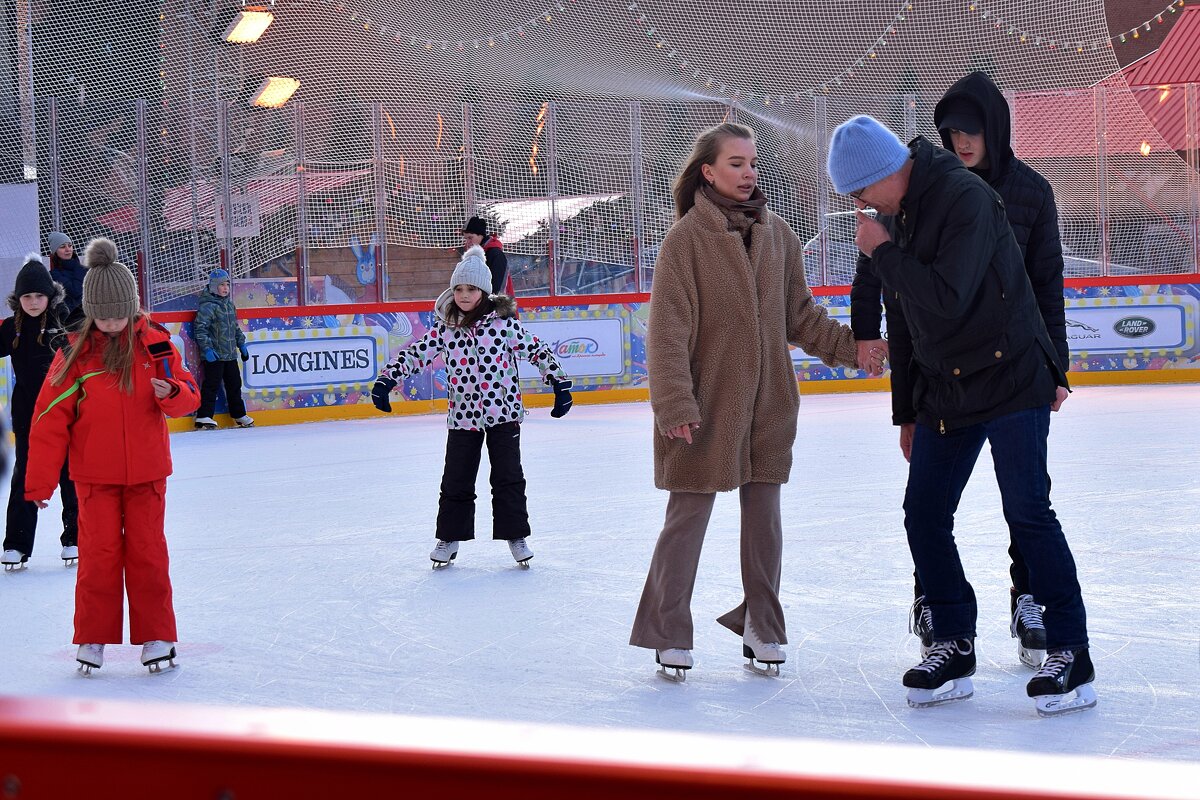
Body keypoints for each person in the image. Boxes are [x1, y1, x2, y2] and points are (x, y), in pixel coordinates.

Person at [827, 115, 1094, 716]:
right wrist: (907, 412)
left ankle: (1071, 654)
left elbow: (947, 296)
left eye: (858, 189)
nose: (857, 204)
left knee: (1027, 510)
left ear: (885, 173)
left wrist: (885, 250)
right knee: (923, 511)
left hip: (1010, 375)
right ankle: (951, 641)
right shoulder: (897, 213)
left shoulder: (965, 197)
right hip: (947, 388)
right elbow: (905, 318)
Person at [629, 123, 864, 682]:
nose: (748, 173)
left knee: (764, 519)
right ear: (707, 171)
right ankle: (669, 630)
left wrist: (857, 350)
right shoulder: (685, 240)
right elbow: (667, 332)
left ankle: (763, 625)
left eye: (752, 163)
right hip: (705, 404)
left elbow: (801, 316)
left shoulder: (778, 235)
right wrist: (675, 403)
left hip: (769, 404)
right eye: (735, 163)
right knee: (687, 518)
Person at [25, 238, 200, 674]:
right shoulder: (74, 353)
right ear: (90, 312)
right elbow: (48, 418)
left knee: (148, 553)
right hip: (94, 477)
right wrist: (40, 482)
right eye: (101, 315)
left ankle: (157, 636)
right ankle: (92, 637)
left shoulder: (156, 345)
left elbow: (190, 395)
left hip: (147, 474)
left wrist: (173, 393)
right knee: (99, 556)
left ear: (133, 306)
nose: (110, 322)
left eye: (118, 313)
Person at [370, 245, 572, 568]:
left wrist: (559, 383)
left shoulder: (503, 324)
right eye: (459, 289)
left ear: (485, 291)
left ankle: (516, 536)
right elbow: (415, 354)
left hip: (504, 414)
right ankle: (448, 538)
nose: (464, 295)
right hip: (463, 417)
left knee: (508, 477)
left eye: (471, 289)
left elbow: (537, 350)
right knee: (456, 479)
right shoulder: (446, 327)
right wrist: (386, 381)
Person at [0, 255, 78, 571]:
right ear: (18, 299)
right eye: (27, 296)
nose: (33, 302)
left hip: (62, 411)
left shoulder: (64, 322)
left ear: (49, 296)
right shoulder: (10, 328)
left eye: (39, 296)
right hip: (27, 413)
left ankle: (75, 538)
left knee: (69, 473)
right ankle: (17, 544)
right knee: (26, 474)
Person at [193, 268, 253, 430]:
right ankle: (204, 416)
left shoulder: (229, 305)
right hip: (215, 355)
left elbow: (235, 328)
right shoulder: (207, 306)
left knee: (234, 384)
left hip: (230, 354)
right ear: (213, 287)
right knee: (211, 385)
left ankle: (239, 414)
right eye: (221, 285)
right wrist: (207, 349)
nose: (225, 288)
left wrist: (241, 344)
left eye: (227, 284)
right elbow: (200, 329)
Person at [46, 231, 87, 327]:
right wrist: (80, 267)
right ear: (55, 251)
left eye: (70, 245)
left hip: (88, 318)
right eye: (62, 247)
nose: (68, 249)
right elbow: (75, 290)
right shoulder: (54, 274)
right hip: (69, 321)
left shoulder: (82, 269)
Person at [461, 216, 510, 295]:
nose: (468, 242)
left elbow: (498, 286)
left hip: (496, 302)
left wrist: (491, 303)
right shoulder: (475, 254)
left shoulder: (495, 253)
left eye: (470, 238)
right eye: (466, 239)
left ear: (481, 235)